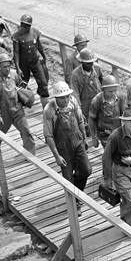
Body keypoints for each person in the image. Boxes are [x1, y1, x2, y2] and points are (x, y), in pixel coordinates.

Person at [43, 81, 92, 215]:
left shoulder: (73, 102)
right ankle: (75, 203)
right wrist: (56, 156)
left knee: (86, 170)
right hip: (62, 147)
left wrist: (84, 138)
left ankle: (77, 192)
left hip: (77, 141)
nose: (65, 100)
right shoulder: (49, 110)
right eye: (62, 98)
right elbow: (48, 136)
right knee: (68, 178)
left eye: (67, 97)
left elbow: (80, 120)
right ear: (56, 98)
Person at [102, 107, 131, 228]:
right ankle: (130, 226)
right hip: (121, 171)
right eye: (130, 121)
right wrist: (107, 178)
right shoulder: (115, 136)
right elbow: (106, 157)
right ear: (124, 121)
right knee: (130, 200)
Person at [0, 53, 36, 155]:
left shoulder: (14, 75)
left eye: (9, 66)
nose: (7, 69)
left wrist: (25, 94)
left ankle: (31, 155)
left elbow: (21, 85)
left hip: (17, 110)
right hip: (4, 113)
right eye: (4, 67)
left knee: (26, 132)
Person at [12, 14, 49, 107]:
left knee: (43, 82)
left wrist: (44, 56)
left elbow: (39, 46)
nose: (23, 27)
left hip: (35, 61)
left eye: (25, 25)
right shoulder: (17, 36)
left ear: (29, 26)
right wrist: (17, 68)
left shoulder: (35, 32)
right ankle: (21, 103)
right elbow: (16, 53)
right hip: (23, 63)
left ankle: (45, 104)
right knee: (23, 83)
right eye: (22, 25)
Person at [69, 48, 103, 128]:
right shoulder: (76, 74)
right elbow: (75, 93)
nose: (91, 65)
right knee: (88, 126)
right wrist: (79, 110)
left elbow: (102, 81)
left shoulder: (97, 68)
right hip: (84, 104)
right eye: (87, 63)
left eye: (92, 63)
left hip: (98, 100)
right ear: (82, 62)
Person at [88, 75, 125, 148]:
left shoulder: (120, 97)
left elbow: (124, 114)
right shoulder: (96, 101)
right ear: (104, 90)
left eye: (115, 90)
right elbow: (91, 119)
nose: (113, 94)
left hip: (118, 131)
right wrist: (93, 137)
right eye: (110, 91)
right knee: (110, 151)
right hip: (104, 134)